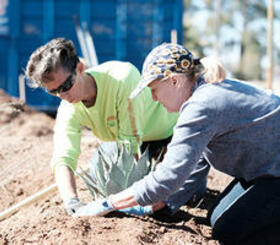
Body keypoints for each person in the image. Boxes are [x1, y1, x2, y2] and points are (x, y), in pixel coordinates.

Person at [74, 43, 280, 244]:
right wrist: (163, 204)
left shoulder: (202, 105)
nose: (154, 99)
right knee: (215, 217)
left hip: (274, 172)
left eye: (154, 89)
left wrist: (109, 203)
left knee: (229, 231)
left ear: (173, 81)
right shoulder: (204, 90)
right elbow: (196, 163)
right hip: (264, 170)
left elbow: (169, 175)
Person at [25, 38, 209, 217]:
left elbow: (130, 145)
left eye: (66, 85)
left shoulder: (122, 78)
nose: (63, 95)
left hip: (169, 135)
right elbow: (63, 156)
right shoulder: (68, 107)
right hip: (134, 145)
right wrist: (71, 200)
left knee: (190, 195)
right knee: (103, 161)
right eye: (54, 91)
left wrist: (123, 200)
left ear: (80, 68)